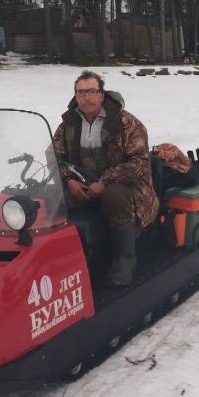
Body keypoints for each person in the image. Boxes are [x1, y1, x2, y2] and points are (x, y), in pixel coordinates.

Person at [53, 71, 159, 286]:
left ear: (102, 95)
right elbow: (54, 156)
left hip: (127, 187)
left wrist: (105, 182)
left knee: (113, 196)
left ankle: (124, 259)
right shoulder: (68, 124)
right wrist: (68, 181)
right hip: (83, 183)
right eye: (81, 92)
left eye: (92, 91)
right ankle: (60, 260)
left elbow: (139, 162)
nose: (86, 97)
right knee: (50, 196)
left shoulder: (126, 123)